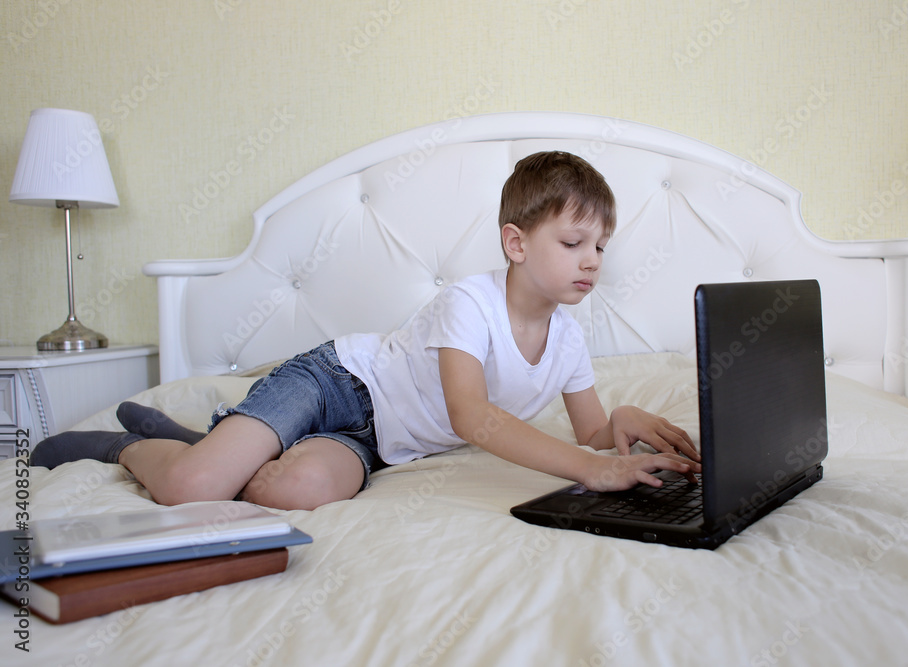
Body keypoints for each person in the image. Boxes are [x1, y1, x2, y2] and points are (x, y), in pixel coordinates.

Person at [31, 151, 700, 511]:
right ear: (516, 242)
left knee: (296, 490)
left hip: (380, 443)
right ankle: (126, 445)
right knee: (190, 487)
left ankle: (199, 440)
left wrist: (619, 424)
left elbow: (589, 435)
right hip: (338, 384)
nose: (592, 260)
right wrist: (590, 465)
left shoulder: (570, 343)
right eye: (576, 240)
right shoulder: (471, 302)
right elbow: (472, 415)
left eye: (602, 247)